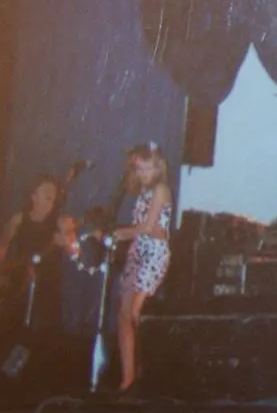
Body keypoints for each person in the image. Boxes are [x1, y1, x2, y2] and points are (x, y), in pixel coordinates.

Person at [112, 142, 172, 393]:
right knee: (124, 316)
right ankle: (128, 378)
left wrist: (120, 233)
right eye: (140, 169)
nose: (144, 174)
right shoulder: (142, 192)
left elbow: (149, 228)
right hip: (138, 252)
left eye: (148, 168)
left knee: (136, 313)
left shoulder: (161, 189)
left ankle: (149, 374)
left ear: (158, 167)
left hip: (153, 255)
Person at [0, 174, 77, 332]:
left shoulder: (62, 221)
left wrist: (67, 243)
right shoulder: (19, 219)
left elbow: (76, 253)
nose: (50, 194)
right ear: (33, 196)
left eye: (53, 192)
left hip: (48, 286)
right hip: (20, 283)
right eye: (45, 190)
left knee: (46, 333)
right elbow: (1, 247)